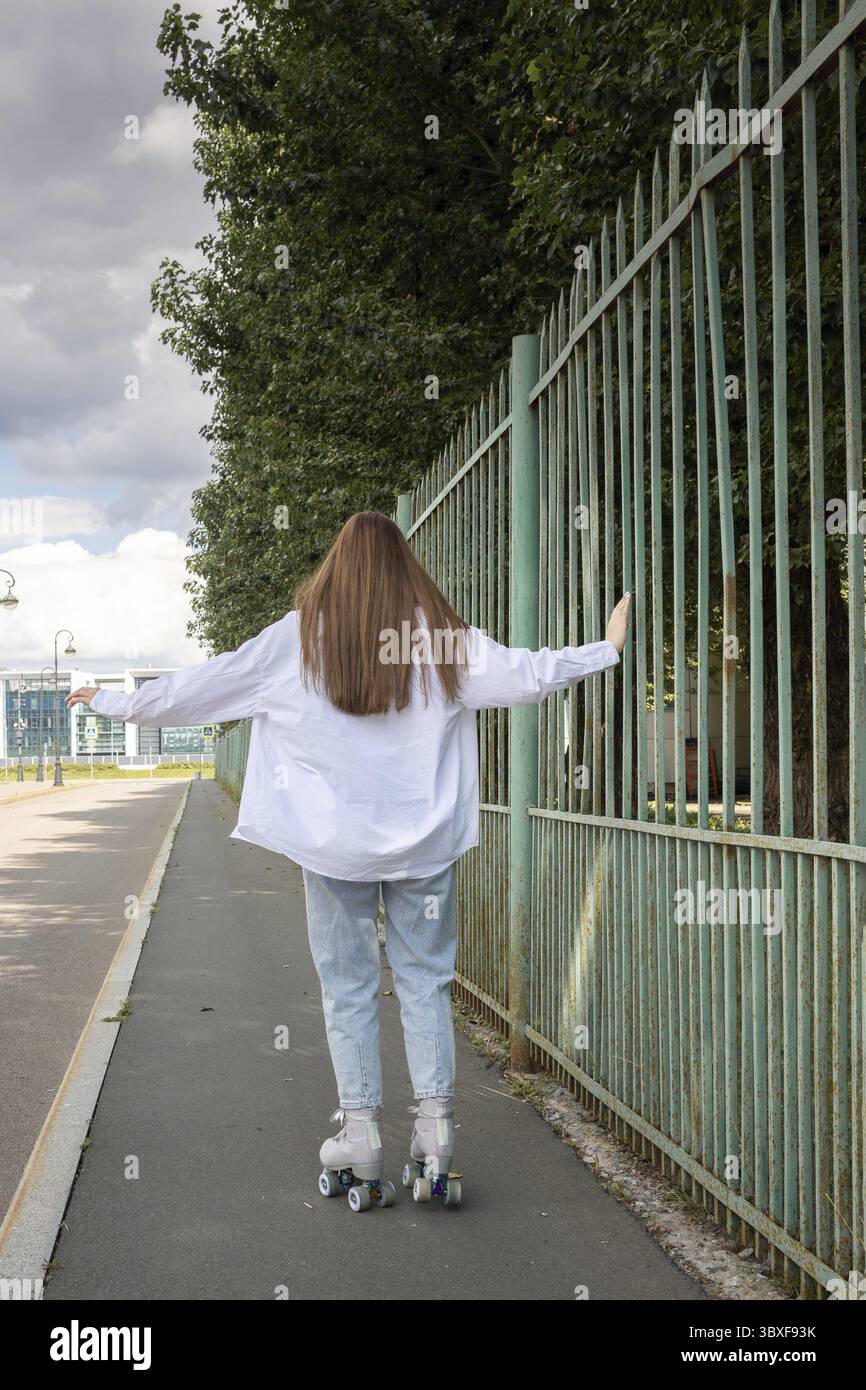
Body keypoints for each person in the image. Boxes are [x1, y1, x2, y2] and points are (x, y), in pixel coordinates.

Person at [68, 511, 631, 1211]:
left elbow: (201, 688)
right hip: (424, 850)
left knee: (349, 988)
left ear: (336, 567)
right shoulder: (442, 640)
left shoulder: (294, 642)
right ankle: (436, 1132)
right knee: (426, 984)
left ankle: (361, 1136)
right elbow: (528, 674)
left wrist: (111, 700)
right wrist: (604, 649)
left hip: (335, 853)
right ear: (405, 568)